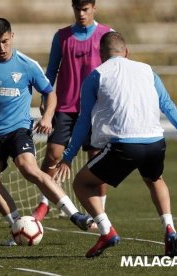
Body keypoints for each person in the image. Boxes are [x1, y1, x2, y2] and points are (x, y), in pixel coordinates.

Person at [0, 17, 94, 245]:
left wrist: (47, 116)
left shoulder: (27, 65)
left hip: (18, 131)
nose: (2, 48)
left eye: (6, 41)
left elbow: (50, 92)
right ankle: (17, 225)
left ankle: (74, 214)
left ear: (12, 37)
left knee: (29, 169)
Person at [56, 31, 177, 258]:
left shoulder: (96, 75)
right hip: (155, 143)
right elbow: (168, 106)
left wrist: (69, 156)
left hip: (124, 145)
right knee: (155, 180)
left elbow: (83, 121)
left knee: (82, 184)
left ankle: (106, 231)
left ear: (100, 54)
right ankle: (170, 228)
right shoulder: (148, 71)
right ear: (127, 52)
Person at [33, 0, 112, 221]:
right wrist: (45, 96)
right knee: (52, 156)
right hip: (66, 108)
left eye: (85, 9)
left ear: (94, 8)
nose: (81, 13)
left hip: (96, 109)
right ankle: (44, 202)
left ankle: (99, 213)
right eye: (77, 9)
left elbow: (117, 69)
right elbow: (51, 70)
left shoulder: (107, 34)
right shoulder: (62, 36)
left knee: (97, 160)